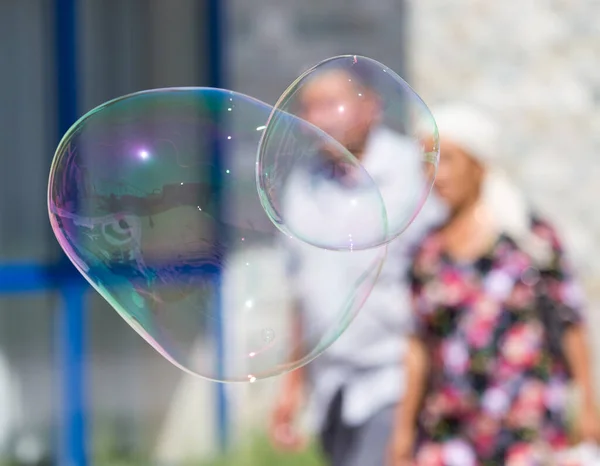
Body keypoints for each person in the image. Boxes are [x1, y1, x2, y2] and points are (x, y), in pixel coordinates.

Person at [389, 104, 600, 466]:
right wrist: (403, 430)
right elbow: (418, 345)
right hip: (451, 426)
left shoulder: (528, 238)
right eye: (427, 162)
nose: (435, 174)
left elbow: (569, 321)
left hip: (525, 424)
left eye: (448, 160)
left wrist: (587, 403)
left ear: (479, 164)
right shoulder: (426, 252)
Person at [268, 67, 446, 466]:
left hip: (396, 378)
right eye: (308, 108)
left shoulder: (414, 172)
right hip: (331, 386)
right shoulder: (303, 183)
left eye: (331, 104)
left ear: (372, 107)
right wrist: (292, 387)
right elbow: (303, 292)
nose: (317, 119)